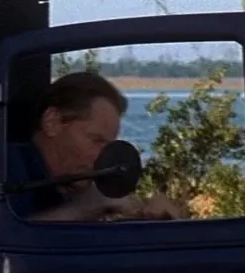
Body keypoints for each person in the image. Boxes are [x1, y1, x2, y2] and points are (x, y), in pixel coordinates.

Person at [12, 71, 186, 223]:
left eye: (108, 145)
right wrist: (85, 208)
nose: (102, 156)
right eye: (96, 140)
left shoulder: (63, 187)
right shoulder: (7, 168)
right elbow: (3, 236)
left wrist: (147, 216)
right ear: (52, 122)